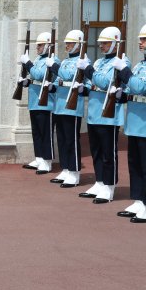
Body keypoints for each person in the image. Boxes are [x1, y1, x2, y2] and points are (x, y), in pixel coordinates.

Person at [112, 22, 146, 223]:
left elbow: (140, 87)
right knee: (135, 165)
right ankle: (139, 201)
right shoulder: (140, 65)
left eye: (144, 39)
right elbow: (132, 89)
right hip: (135, 122)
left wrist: (124, 71)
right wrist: (121, 93)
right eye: (140, 39)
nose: (140, 42)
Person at [77, 27, 129, 204]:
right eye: (100, 43)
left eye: (105, 43)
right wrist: (85, 87)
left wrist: (89, 70)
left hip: (108, 114)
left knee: (108, 153)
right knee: (96, 151)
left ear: (116, 43)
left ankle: (109, 185)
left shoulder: (121, 61)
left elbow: (106, 82)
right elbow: (91, 83)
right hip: (94, 112)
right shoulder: (99, 62)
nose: (101, 46)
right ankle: (99, 182)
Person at [49, 30, 86, 188]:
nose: (67, 46)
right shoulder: (65, 61)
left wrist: (54, 67)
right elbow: (59, 79)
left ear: (78, 44)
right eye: (66, 43)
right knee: (62, 140)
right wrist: (51, 86)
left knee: (71, 140)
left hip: (72, 107)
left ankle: (74, 171)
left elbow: (69, 75)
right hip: (60, 105)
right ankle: (65, 168)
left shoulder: (82, 61)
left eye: (70, 43)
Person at [19, 31, 56, 175]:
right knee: (37, 132)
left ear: (47, 46)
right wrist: (26, 81)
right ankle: (39, 158)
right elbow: (35, 78)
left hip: (46, 103)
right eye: (37, 45)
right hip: (35, 101)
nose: (37, 48)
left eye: (40, 45)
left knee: (46, 133)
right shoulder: (39, 60)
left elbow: (39, 75)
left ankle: (47, 161)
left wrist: (28, 63)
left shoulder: (52, 60)